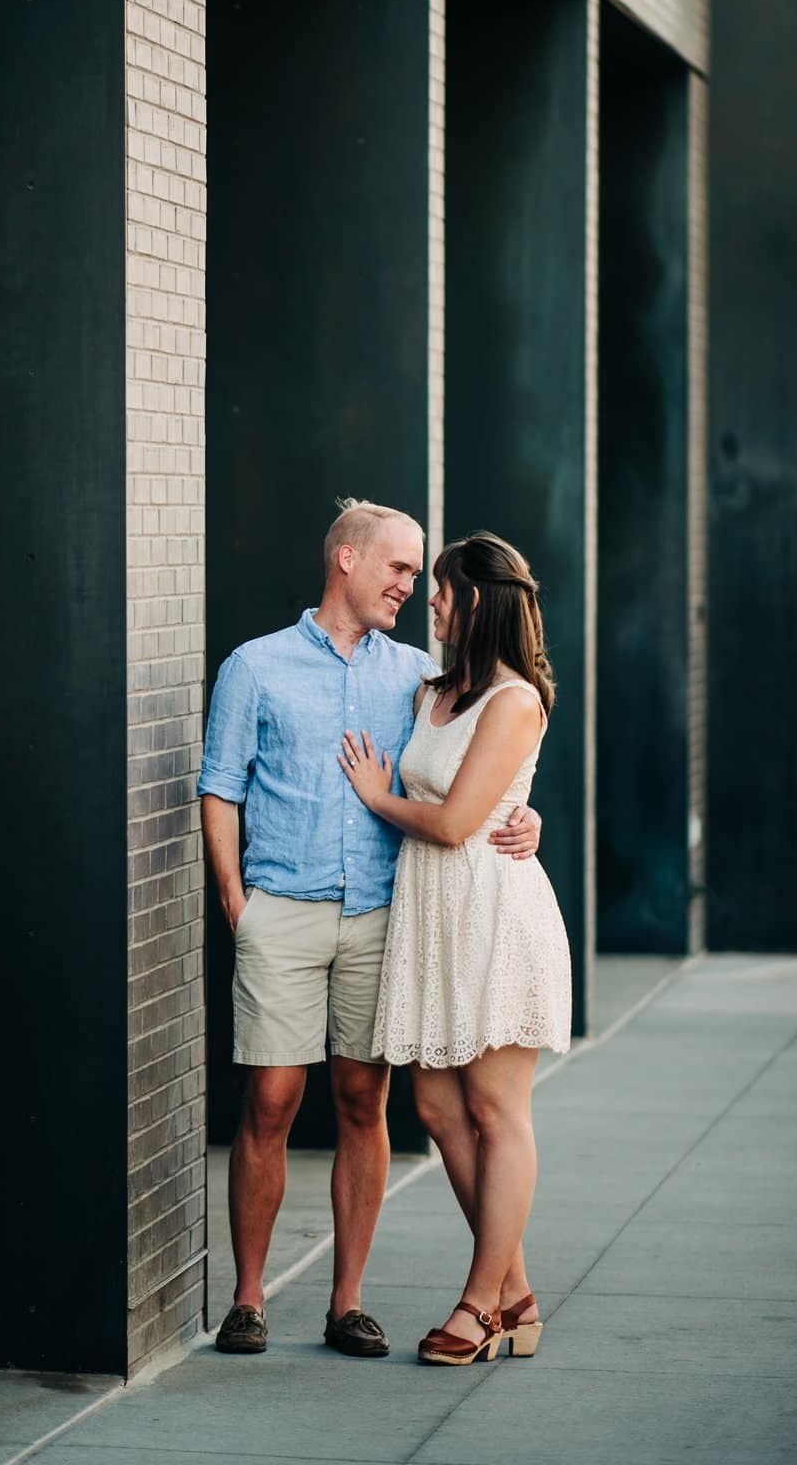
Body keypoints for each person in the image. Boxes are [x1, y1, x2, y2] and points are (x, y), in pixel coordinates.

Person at [199, 500, 543, 1358]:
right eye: (398, 568)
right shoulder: (256, 665)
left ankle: (345, 1302)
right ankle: (247, 1299)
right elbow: (219, 787)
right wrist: (237, 903)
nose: (410, 587)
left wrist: (523, 814)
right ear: (346, 561)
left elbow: (469, 776)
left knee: (367, 1100)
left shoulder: (417, 678)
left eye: (423, 576)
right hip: (282, 908)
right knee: (271, 1101)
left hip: (387, 917)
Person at [338, 530, 571, 1366]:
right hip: (431, 912)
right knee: (436, 1109)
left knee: (495, 1112)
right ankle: (516, 1295)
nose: (428, 601)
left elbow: (450, 820)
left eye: (439, 588)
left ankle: (479, 1304)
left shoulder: (514, 700)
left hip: (492, 912)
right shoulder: (434, 690)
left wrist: (374, 795)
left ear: (474, 600)